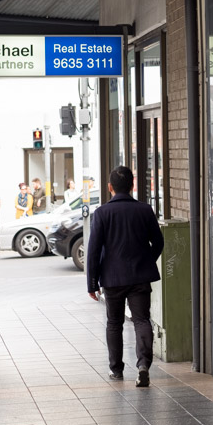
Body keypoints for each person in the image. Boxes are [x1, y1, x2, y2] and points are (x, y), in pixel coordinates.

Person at [87, 166, 164, 387]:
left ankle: (117, 370)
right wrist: (146, 260)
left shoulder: (102, 213)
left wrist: (92, 282)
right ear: (132, 186)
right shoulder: (144, 210)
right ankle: (142, 366)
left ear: (110, 187)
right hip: (140, 276)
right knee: (141, 320)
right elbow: (158, 242)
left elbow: (93, 250)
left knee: (114, 323)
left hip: (112, 278)